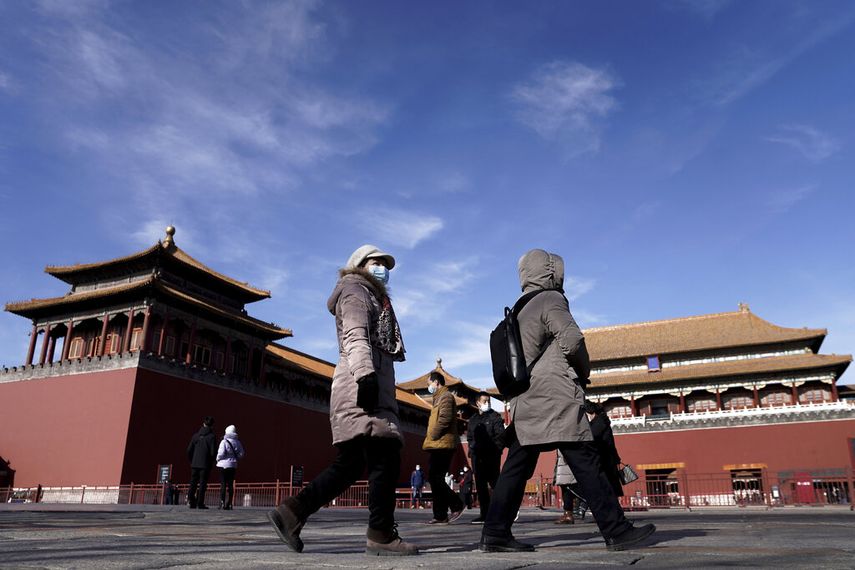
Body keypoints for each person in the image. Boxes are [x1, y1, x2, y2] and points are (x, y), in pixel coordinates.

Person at [480, 249, 655, 553]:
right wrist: (584, 371)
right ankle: (617, 530)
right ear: (551, 272)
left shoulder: (519, 310)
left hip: (525, 399)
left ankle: (495, 532)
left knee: (517, 468)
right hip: (555, 395)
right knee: (586, 459)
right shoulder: (550, 300)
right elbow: (573, 341)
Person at [268, 245, 418, 556]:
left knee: (351, 465)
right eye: (377, 262)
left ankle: (291, 513)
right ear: (361, 264)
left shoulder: (372, 296)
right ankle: (380, 535)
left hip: (368, 384)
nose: (382, 268)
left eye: (385, 264)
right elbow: (354, 335)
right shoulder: (355, 291)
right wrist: (366, 376)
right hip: (363, 386)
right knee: (385, 458)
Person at [423, 371, 465, 524]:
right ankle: (440, 515)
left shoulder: (446, 397)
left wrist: (433, 435)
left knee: (435, 478)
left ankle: (457, 504)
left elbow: (445, 419)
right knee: (435, 478)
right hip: (438, 444)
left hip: (443, 443)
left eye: (429, 384)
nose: (428, 387)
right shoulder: (438, 398)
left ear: (436, 382)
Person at [467, 392, 505, 524]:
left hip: (491, 456)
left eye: (488, 401)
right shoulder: (473, 419)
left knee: (495, 484)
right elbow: (470, 437)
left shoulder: (495, 417)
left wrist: (496, 450)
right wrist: (472, 449)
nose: (487, 403)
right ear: (477, 403)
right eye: (484, 401)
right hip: (477, 457)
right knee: (481, 486)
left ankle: (500, 512)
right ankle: (485, 514)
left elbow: (500, 437)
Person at [186, 416, 217, 509]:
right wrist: (211, 461)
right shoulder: (212, 437)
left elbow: (188, 450)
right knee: (203, 484)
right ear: (212, 426)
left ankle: (191, 501)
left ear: (203, 424)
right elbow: (213, 452)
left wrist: (192, 460)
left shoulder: (195, 435)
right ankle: (200, 503)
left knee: (193, 483)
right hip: (205, 464)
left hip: (194, 464)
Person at [216, 424, 246, 510]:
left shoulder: (224, 441)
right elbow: (241, 454)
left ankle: (222, 502)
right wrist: (234, 457)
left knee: (223, 484)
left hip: (223, 466)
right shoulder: (238, 442)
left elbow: (220, 453)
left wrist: (218, 459)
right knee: (230, 484)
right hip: (233, 465)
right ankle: (229, 503)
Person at [553, 451, 576, 524]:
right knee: (566, 490)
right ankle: (567, 514)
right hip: (564, 468)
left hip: (566, 467)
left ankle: (568, 514)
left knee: (569, 490)